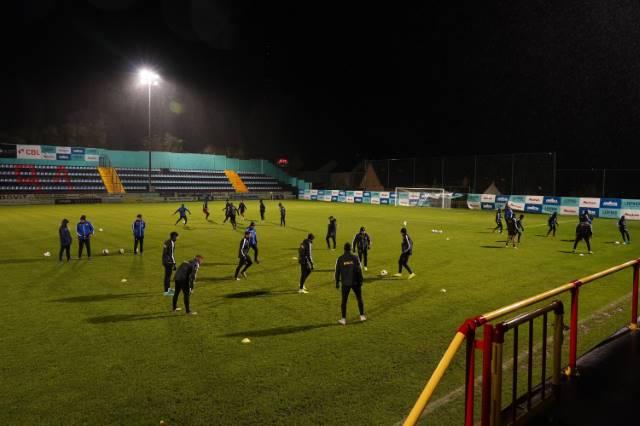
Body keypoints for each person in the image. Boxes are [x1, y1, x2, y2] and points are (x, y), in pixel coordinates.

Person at [335, 242, 366, 325]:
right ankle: (362, 316)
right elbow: (359, 270)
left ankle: (343, 319)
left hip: (345, 283)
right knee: (359, 298)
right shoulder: (355, 257)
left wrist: (337, 282)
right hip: (355, 282)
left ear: (344, 249)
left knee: (344, 301)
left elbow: (337, 272)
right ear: (351, 248)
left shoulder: (340, 259)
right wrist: (361, 280)